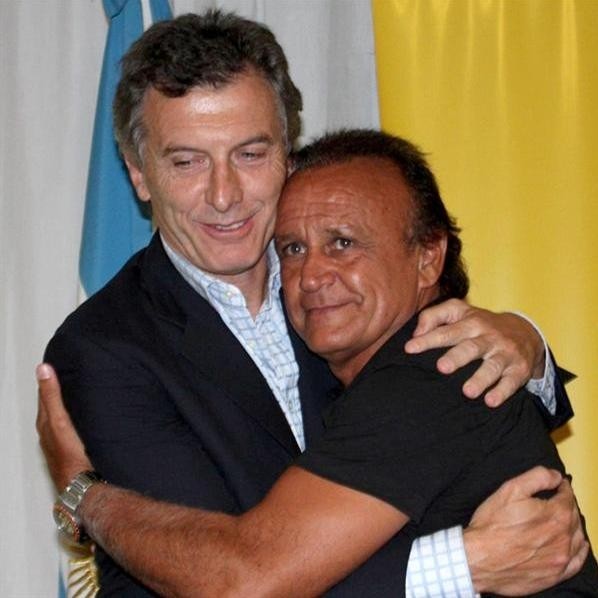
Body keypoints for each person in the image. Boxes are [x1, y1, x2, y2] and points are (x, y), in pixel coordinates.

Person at [40, 10, 580, 597]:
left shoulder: (344, 296)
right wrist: (459, 562)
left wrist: (527, 345)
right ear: (139, 174)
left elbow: (461, 420)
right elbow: (222, 577)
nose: (224, 195)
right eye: (187, 161)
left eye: (250, 154)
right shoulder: (105, 349)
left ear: (288, 156)